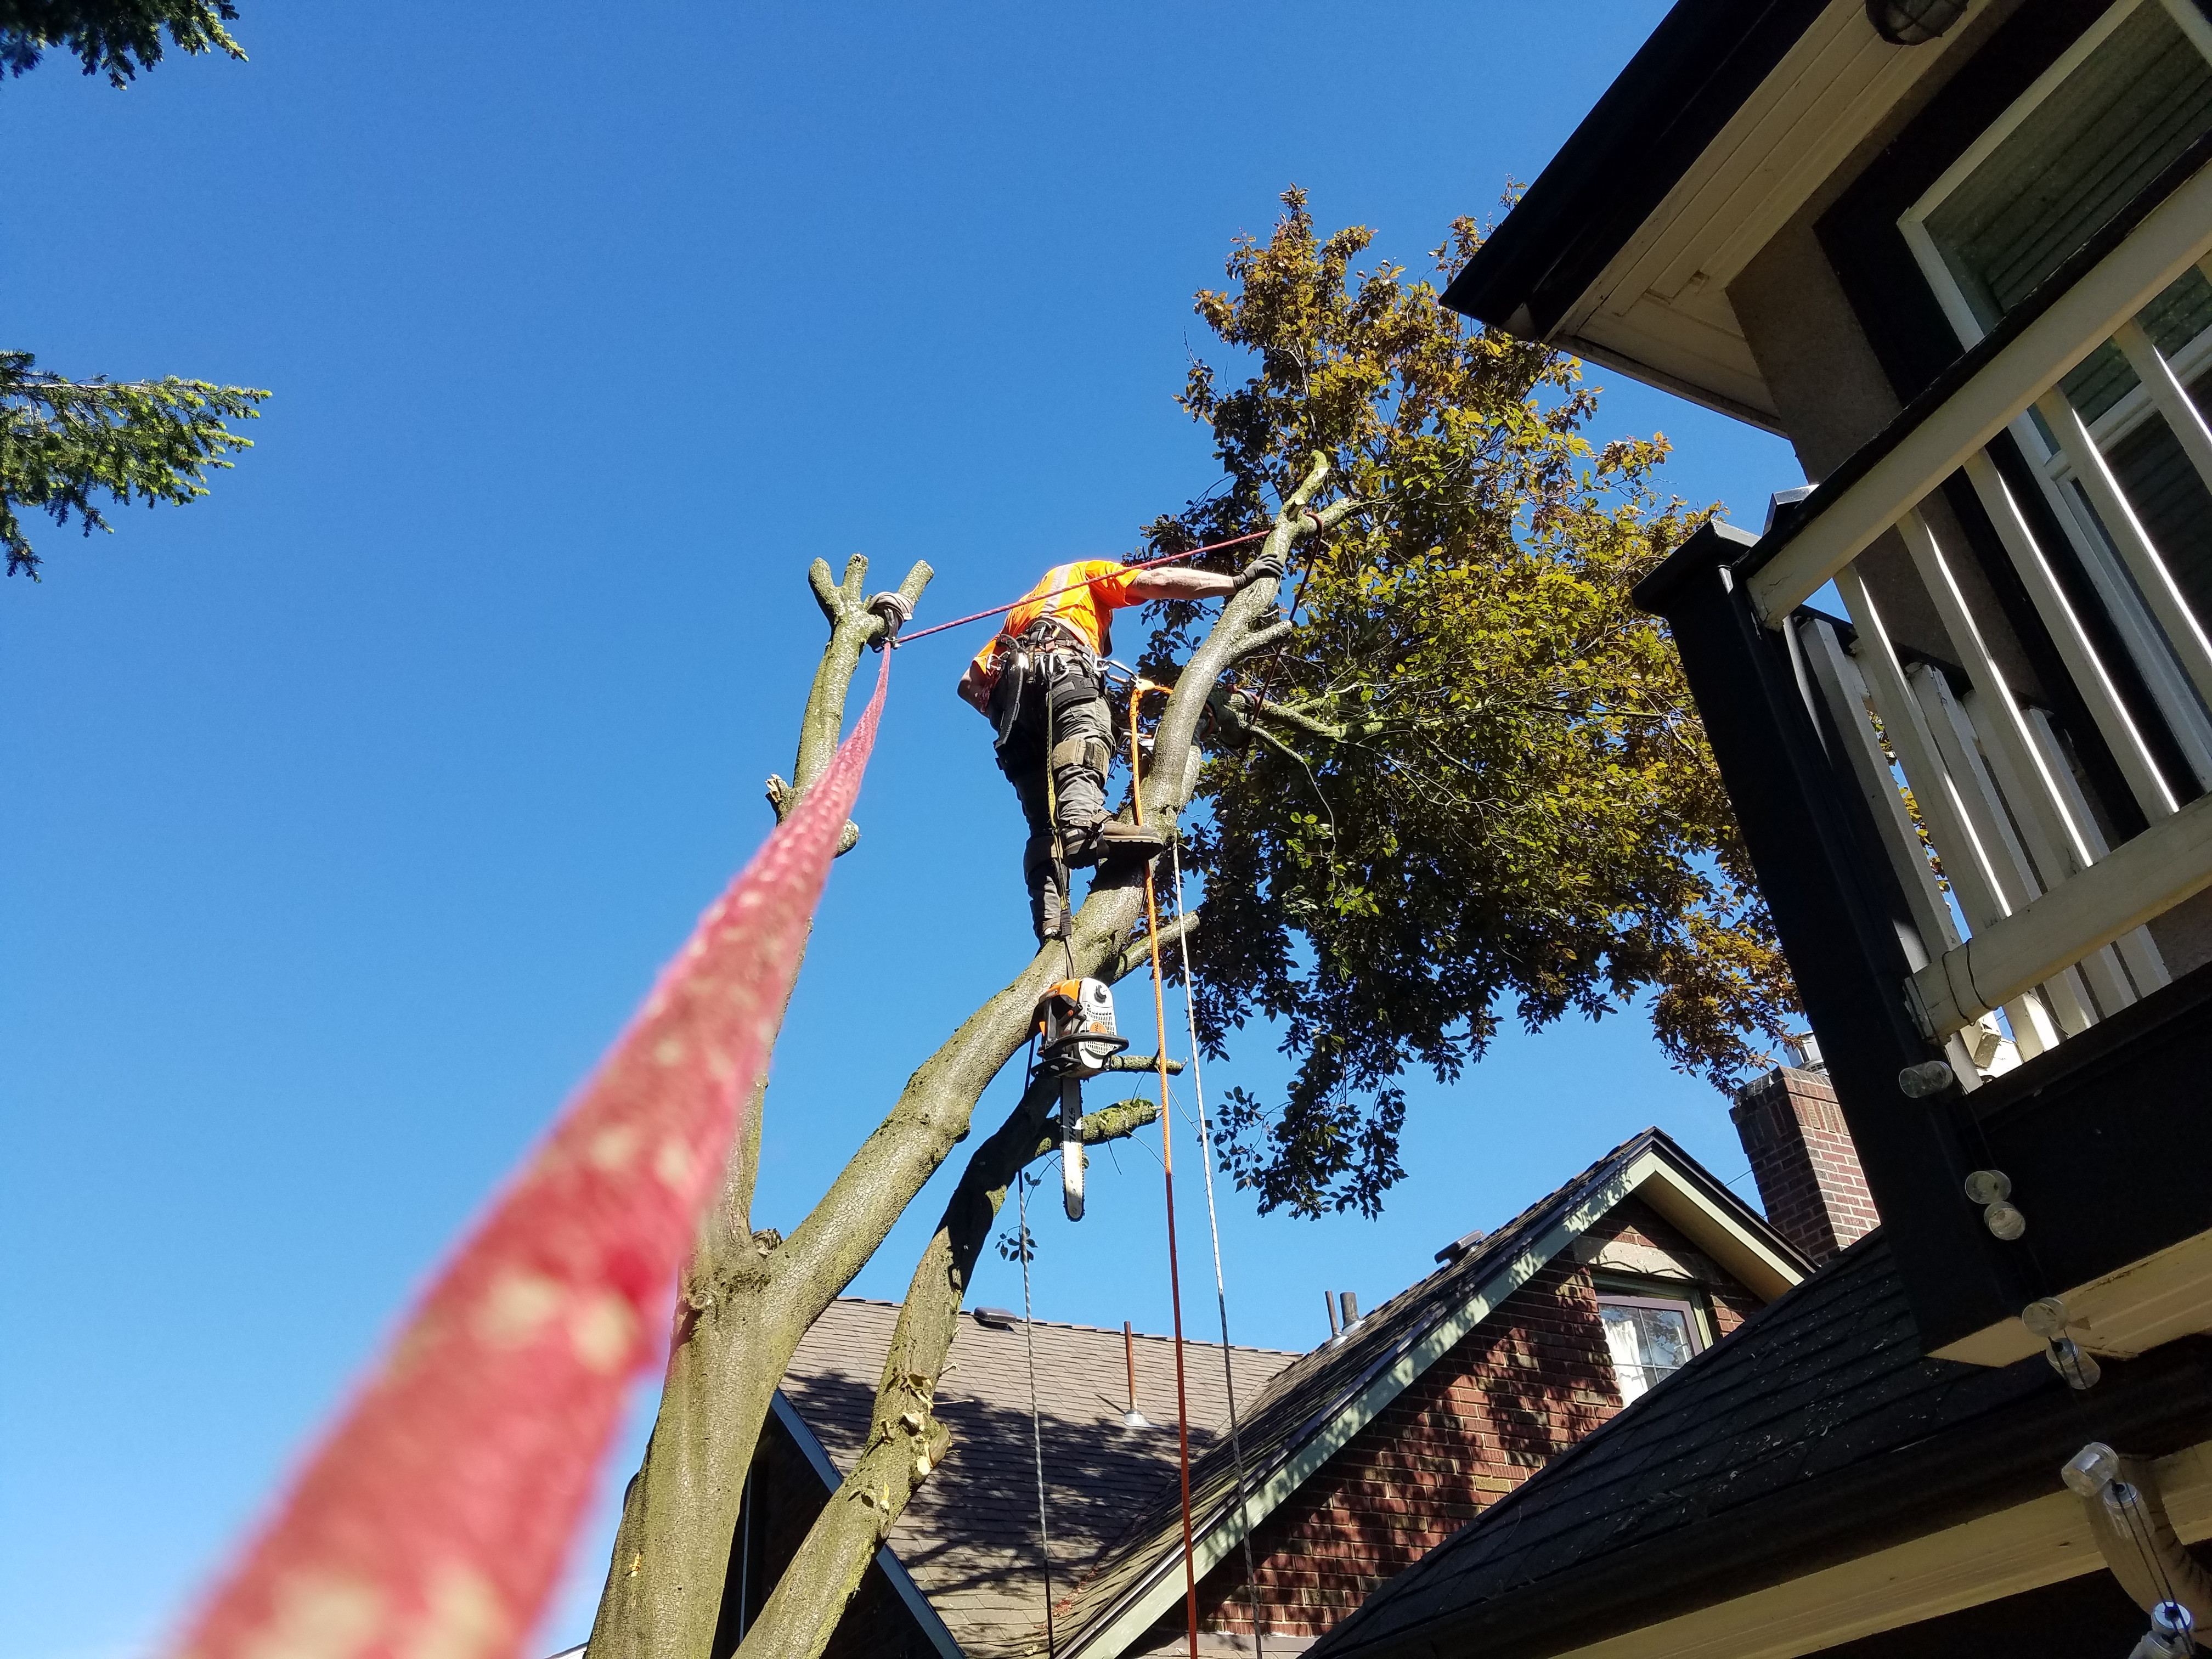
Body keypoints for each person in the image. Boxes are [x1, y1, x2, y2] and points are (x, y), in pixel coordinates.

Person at [958, 551, 1281, 941]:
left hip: (1008, 701)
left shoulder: (1018, 621)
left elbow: (967, 685)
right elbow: (1155, 582)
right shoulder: (1085, 577)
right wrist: (1235, 583)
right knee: (1088, 735)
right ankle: (1085, 828)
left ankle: (1049, 916)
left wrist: (1004, 708)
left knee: (1042, 821)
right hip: (1061, 667)